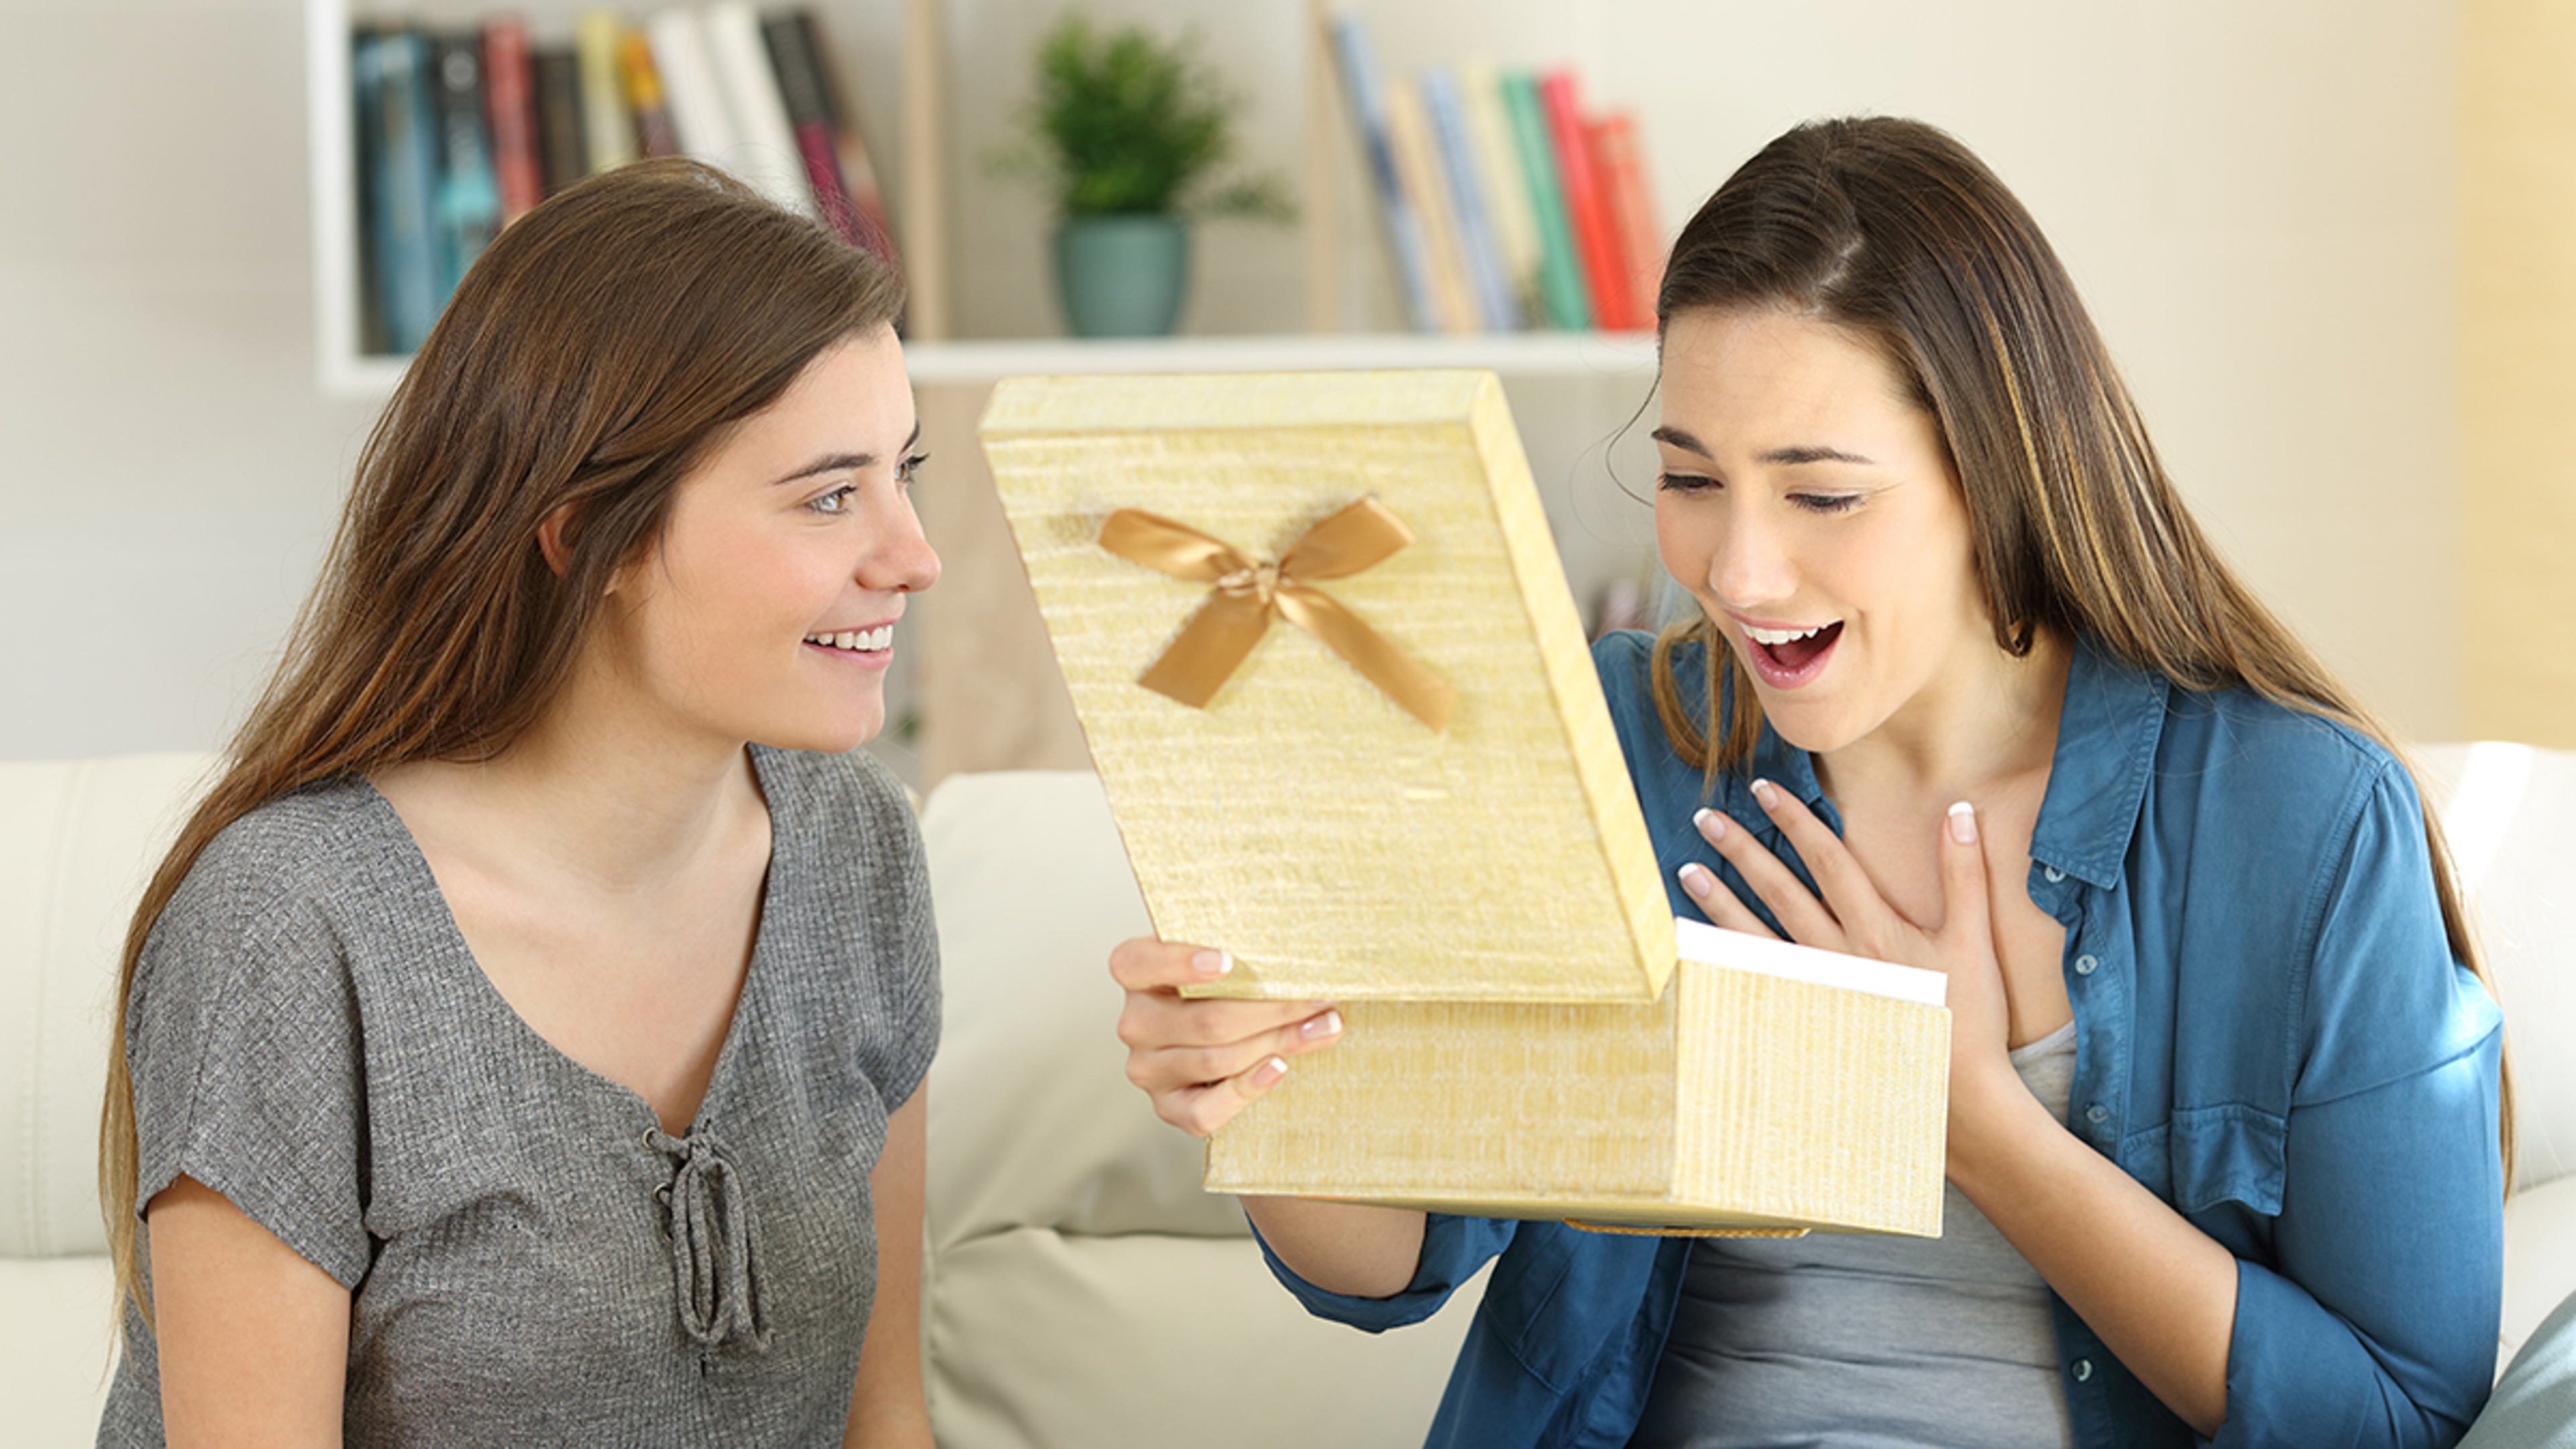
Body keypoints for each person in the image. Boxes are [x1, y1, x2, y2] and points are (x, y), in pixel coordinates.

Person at [1110, 117, 2509, 1448]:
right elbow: (1397, 1257)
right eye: (1691, 477)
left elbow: (2394, 1412)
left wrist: (1977, 1126)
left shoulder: (2302, 820)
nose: (1736, 572)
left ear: (1997, 473)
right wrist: (1264, 1091)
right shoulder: (1618, 740)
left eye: (1821, 494)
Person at [96, 158, 941, 1446]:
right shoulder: (292, 929)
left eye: (903, 474)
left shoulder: (855, 850)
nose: (912, 557)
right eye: (830, 496)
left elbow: (885, 1427)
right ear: (588, 532)